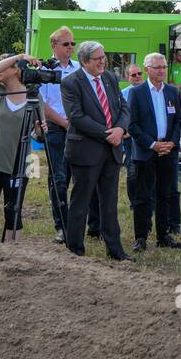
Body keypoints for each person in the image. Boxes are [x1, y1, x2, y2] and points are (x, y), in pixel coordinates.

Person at [61, 40, 131, 260]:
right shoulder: (71, 82)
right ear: (84, 61)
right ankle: (75, 250)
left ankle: (115, 250)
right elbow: (77, 117)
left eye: (104, 57)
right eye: (98, 58)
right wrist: (108, 134)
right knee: (81, 202)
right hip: (86, 150)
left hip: (112, 151)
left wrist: (120, 128)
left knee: (110, 202)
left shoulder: (110, 78)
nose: (103, 62)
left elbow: (123, 108)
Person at [0, 53, 45, 234]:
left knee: (14, 213)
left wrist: (40, 129)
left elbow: (38, 134)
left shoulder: (33, 96)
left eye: (3, 66)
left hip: (21, 162)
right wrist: (21, 56)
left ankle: (13, 254)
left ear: (14, 69)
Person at [128, 52, 181, 253]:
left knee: (165, 194)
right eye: (157, 67)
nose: (161, 71)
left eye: (163, 67)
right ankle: (141, 237)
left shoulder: (172, 92)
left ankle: (163, 234)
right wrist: (152, 145)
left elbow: (178, 121)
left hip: (167, 151)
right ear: (147, 69)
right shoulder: (137, 92)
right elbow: (132, 125)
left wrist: (170, 143)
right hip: (146, 152)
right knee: (143, 196)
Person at [39, 26, 78, 242]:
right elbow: (41, 103)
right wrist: (64, 123)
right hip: (56, 128)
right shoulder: (45, 70)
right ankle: (62, 225)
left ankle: (83, 222)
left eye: (73, 43)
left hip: (79, 129)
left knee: (81, 177)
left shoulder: (80, 68)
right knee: (59, 178)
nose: (71, 47)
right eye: (66, 44)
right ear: (54, 45)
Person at [122, 62, 144, 212]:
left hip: (148, 136)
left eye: (139, 74)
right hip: (131, 138)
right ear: (127, 77)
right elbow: (122, 115)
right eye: (133, 75)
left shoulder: (148, 90)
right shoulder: (123, 94)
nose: (137, 77)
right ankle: (134, 203)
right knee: (132, 172)